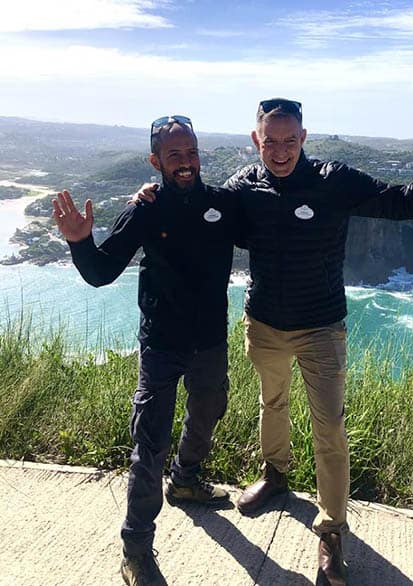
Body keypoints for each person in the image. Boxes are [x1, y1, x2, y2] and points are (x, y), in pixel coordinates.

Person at [134, 100, 413, 585]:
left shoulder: (334, 179)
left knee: (328, 428)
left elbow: (403, 203)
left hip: (321, 329)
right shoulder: (243, 188)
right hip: (264, 324)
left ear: (304, 138)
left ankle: (332, 531)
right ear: (256, 141)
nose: (280, 151)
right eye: (270, 141)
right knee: (271, 404)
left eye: (290, 140)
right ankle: (275, 475)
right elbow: (196, 209)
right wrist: (153, 194)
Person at [53, 116, 240, 586]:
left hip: (211, 340)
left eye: (191, 152)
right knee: (148, 445)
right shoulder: (145, 210)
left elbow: (270, 228)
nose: (186, 163)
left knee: (210, 409)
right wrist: (80, 242)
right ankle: (136, 549)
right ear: (156, 161)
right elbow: (100, 272)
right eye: (174, 155)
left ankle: (186, 479)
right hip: (161, 344)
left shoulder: (220, 204)